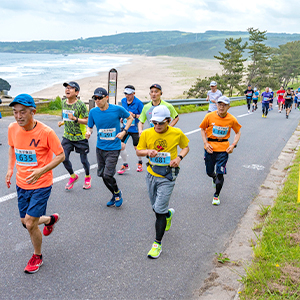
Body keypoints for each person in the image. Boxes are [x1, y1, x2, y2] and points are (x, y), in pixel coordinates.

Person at [5, 94, 65, 274]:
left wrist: (41, 170)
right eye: (15, 112)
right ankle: (51, 219)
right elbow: (13, 147)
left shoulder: (46, 132)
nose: (18, 116)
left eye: (22, 112)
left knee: (31, 223)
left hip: (41, 183)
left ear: (33, 112)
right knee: (25, 222)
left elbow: (61, 155)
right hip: (21, 183)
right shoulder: (12, 128)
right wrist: (10, 169)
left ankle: (37, 256)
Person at [136, 105, 189, 259]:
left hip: (168, 175)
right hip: (151, 173)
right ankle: (168, 214)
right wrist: (148, 152)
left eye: (160, 123)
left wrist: (179, 158)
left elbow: (186, 148)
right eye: (154, 122)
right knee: (156, 207)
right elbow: (139, 151)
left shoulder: (176, 133)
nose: (157, 126)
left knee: (158, 210)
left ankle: (157, 244)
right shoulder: (146, 133)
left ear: (168, 120)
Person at [85, 88, 133, 207]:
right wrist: (89, 132)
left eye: (99, 98)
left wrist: (124, 131)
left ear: (106, 97)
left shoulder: (117, 109)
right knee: (102, 175)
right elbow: (90, 126)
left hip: (113, 147)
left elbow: (130, 118)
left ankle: (117, 193)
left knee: (108, 175)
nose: (97, 100)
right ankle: (114, 194)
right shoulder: (93, 112)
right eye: (95, 98)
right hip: (100, 147)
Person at [199, 96, 241, 206]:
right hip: (210, 148)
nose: (222, 107)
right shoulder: (209, 116)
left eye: (224, 105)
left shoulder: (232, 119)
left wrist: (233, 145)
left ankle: (216, 195)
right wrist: (205, 143)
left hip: (223, 149)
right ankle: (213, 177)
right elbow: (202, 129)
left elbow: (238, 132)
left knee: (220, 173)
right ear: (216, 105)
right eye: (220, 104)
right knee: (209, 172)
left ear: (229, 107)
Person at [58, 81, 91, 190]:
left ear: (76, 92)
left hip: (80, 137)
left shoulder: (80, 104)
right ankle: (73, 176)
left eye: (71, 88)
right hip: (67, 136)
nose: (67, 89)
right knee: (63, 158)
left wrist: (75, 119)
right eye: (66, 88)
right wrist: (62, 122)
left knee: (83, 160)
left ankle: (87, 177)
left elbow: (87, 121)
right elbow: (66, 117)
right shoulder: (63, 103)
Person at [117, 85, 144, 174]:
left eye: (129, 94)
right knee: (121, 145)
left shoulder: (139, 103)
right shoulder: (123, 101)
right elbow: (123, 112)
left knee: (136, 147)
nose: (127, 96)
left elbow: (143, 116)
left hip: (135, 128)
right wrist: (122, 117)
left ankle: (140, 162)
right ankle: (125, 165)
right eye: (125, 93)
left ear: (133, 93)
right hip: (125, 127)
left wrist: (134, 115)